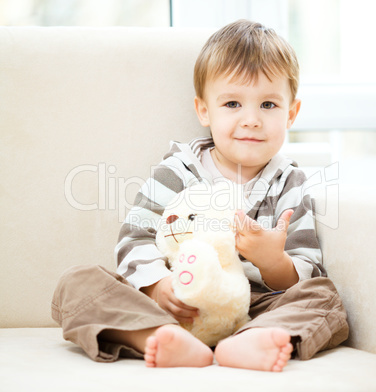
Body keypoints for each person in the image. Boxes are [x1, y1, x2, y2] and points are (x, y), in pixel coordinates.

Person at [51, 19, 348, 372]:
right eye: (233, 104)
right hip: (178, 302)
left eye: (268, 105)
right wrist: (159, 287)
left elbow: (306, 269)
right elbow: (134, 239)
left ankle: (248, 342)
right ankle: (156, 336)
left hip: (255, 307)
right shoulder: (177, 172)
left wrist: (273, 262)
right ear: (204, 110)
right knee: (77, 283)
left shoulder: (290, 182)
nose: (251, 119)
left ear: (291, 113)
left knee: (324, 297)